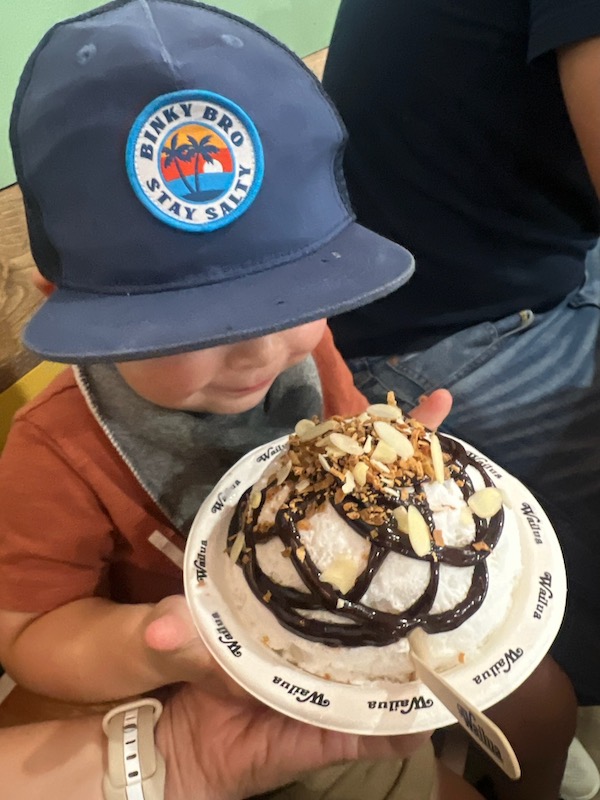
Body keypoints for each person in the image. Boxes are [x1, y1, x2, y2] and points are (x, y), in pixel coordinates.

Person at [0, 2, 474, 800]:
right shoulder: (56, 456)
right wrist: (149, 647)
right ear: (66, 303)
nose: (261, 351)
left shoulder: (304, 356)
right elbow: (26, 634)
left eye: (292, 301)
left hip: (333, 664)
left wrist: (398, 470)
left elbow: (348, 437)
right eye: (193, 326)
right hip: (174, 718)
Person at [321, 2, 600, 799]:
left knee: (538, 711)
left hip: (481, 278)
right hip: (433, 330)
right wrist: (146, 646)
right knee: (536, 703)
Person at [1, 650, 485, 800]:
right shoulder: (60, 450)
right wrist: (139, 643)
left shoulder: (316, 405)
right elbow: (23, 645)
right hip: (201, 726)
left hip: (365, 724)